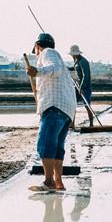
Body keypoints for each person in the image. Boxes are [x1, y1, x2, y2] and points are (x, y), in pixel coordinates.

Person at [25, 32, 76, 191]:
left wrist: (37, 72)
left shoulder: (49, 53)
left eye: (36, 50)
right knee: (57, 147)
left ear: (37, 47)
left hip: (54, 107)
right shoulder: (58, 58)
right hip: (66, 109)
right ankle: (58, 182)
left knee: (46, 144)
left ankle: (48, 182)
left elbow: (54, 68)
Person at [68, 44, 95, 128]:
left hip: (85, 87)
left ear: (76, 53)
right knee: (73, 104)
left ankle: (91, 124)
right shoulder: (77, 60)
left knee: (87, 105)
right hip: (78, 86)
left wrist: (82, 87)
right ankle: (72, 124)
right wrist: (67, 68)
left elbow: (85, 75)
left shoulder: (83, 61)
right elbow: (75, 68)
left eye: (73, 54)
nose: (72, 56)